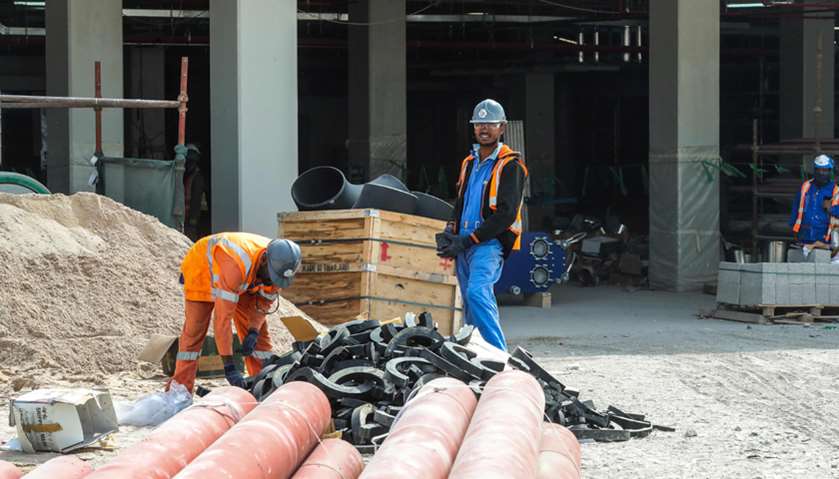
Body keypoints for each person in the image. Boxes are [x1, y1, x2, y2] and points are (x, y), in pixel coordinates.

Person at [437, 99, 528, 352]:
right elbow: (461, 201)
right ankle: (476, 355)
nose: (484, 128)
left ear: (502, 127)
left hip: (488, 244)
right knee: (468, 302)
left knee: (478, 293)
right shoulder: (469, 162)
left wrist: (470, 240)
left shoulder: (511, 165)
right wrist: (450, 231)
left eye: (490, 123)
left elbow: (506, 214)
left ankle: (499, 356)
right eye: (479, 123)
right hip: (464, 243)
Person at [168, 233, 302, 393]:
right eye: (271, 277)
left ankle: (262, 385)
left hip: (245, 278)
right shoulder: (238, 265)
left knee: (259, 338)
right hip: (202, 271)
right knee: (194, 333)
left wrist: (253, 331)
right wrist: (229, 366)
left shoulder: (279, 268)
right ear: (264, 259)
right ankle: (179, 391)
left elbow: (262, 305)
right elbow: (222, 321)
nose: (273, 282)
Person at [790, 154, 839, 252]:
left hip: (825, 238)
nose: (821, 173)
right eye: (819, 170)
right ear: (815, 170)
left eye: (825, 170)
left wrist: (831, 209)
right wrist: (793, 229)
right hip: (804, 236)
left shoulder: (835, 190)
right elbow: (796, 208)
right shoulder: (806, 187)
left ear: (830, 171)